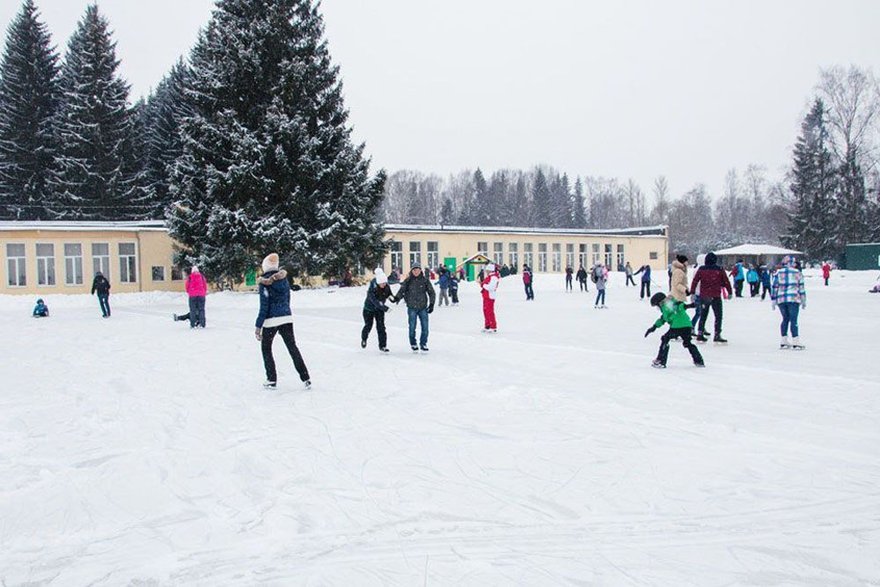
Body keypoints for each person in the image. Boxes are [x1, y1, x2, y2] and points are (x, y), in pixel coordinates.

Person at [255, 253, 311, 389]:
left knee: (266, 348)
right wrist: (285, 311)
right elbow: (287, 300)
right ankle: (306, 378)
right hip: (286, 317)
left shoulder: (265, 282)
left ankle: (271, 379)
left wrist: (258, 326)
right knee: (292, 347)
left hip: (271, 320)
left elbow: (264, 306)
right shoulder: (284, 280)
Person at [645, 292, 704, 369]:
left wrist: (689, 306)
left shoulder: (669, 304)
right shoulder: (668, 305)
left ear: (660, 302)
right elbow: (663, 318)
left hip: (677, 327)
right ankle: (698, 360)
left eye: (657, 305)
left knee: (665, 339)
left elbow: (679, 306)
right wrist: (654, 327)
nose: (658, 307)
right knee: (688, 343)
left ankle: (661, 360)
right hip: (687, 326)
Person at [391, 262, 436, 352]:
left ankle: (423, 343)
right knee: (412, 327)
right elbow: (402, 290)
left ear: (420, 270)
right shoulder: (408, 280)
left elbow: (431, 292)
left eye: (418, 270)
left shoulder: (425, 280)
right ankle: (413, 343)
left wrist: (431, 304)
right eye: (414, 270)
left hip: (423, 307)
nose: (416, 272)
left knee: (425, 327)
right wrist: (396, 298)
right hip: (412, 307)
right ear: (412, 271)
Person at [690, 252, 732, 343]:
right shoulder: (719, 269)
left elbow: (695, 281)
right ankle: (717, 334)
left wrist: (692, 292)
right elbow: (726, 281)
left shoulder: (701, 269)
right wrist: (730, 291)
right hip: (716, 296)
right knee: (718, 316)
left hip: (704, 296)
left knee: (703, 315)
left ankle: (700, 333)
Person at [771, 255, 806, 350]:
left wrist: (773, 300)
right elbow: (801, 287)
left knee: (785, 319)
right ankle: (795, 340)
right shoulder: (797, 273)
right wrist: (803, 300)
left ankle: (784, 339)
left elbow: (774, 287)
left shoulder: (778, 273)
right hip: (794, 298)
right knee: (794, 319)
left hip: (781, 299)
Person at [362, 267, 392, 352]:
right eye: (382, 284)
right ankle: (364, 338)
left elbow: (389, 294)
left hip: (379, 310)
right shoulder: (372, 288)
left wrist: (393, 298)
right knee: (368, 325)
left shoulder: (386, 285)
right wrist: (384, 307)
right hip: (369, 309)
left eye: (385, 283)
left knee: (381, 327)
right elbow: (375, 301)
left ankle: (383, 346)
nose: (383, 285)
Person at [481, 263, 500, 332]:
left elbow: (491, 287)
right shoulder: (489, 277)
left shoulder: (494, 277)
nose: (486, 271)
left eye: (487, 270)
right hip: (486, 296)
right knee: (485, 311)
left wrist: (483, 285)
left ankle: (493, 326)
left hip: (490, 296)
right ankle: (487, 325)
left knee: (490, 311)